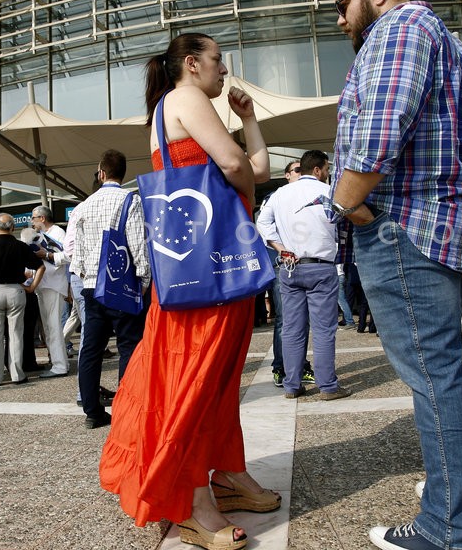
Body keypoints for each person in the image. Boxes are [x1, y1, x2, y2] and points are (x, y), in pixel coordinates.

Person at [329, 0, 462, 550]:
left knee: (432, 374)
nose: (338, 20)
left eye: (340, 4)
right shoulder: (436, 32)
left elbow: (377, 131)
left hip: (404, 227)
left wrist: (342, 206)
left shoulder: (399, 28)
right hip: (428, 225)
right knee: (444, 371)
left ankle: (449, 528)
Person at [99, 33, 275, 550]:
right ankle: (196, 502)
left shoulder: (168, 108)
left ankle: (225, 474)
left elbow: (255, 168)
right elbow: (242, 168)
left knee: (213, 381)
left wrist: (247, 119)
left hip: (202, 269)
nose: (224, 69)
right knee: (198, 382)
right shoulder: (185, 97)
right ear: (192, 64)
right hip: (211, 272)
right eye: (219, 59)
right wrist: (240, 210)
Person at [257, 149, 351, 401]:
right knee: (323, 329)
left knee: (292, 329)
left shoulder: (279, 193)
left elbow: (262, 224)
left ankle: (292, 384)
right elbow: (343, 222)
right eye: (327, 169)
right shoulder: (328, 192)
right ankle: (328, 386)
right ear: (318, 170)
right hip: (321, 266)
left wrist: (280, 247)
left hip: (289, 267)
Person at [70, 149, 150, 429]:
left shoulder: (84, 205)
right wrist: (144, 279)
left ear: (101, 172)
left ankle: (92, 411)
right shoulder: (131, 200)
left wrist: (83, 274)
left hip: (91, 286)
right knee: (129, 344)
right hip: (120, 285)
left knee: (91, 348)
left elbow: (75, 251)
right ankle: (126, 409)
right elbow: (138, 242)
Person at [262, 160, 315, 387]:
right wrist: (283, 250)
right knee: (285, 320)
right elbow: (264, 226)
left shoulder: (307, 197)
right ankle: (281, 368)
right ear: (286, 175)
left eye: (303, 170)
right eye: (296, 170)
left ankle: (300, 366)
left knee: (304, 321)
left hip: (308, 264)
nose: (299, 174)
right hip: (283, 264)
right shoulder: (276, 197)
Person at [0, 213, 44, 385]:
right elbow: (40, 267)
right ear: (12, 227)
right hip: (16, 290)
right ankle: (17, 374)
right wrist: (31, 287)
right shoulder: (21, 246)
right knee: (15, 334)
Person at [30, 205, 70, 378]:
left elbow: (67, 255)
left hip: (53, 285)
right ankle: (58, 362)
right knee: (48, 327)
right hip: (43, 284)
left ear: (42, 218)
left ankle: (60, 365)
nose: (32, 221)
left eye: (33, 218)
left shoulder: (58, 232)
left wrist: (45, 255)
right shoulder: (40, 235)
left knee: (53, 326)